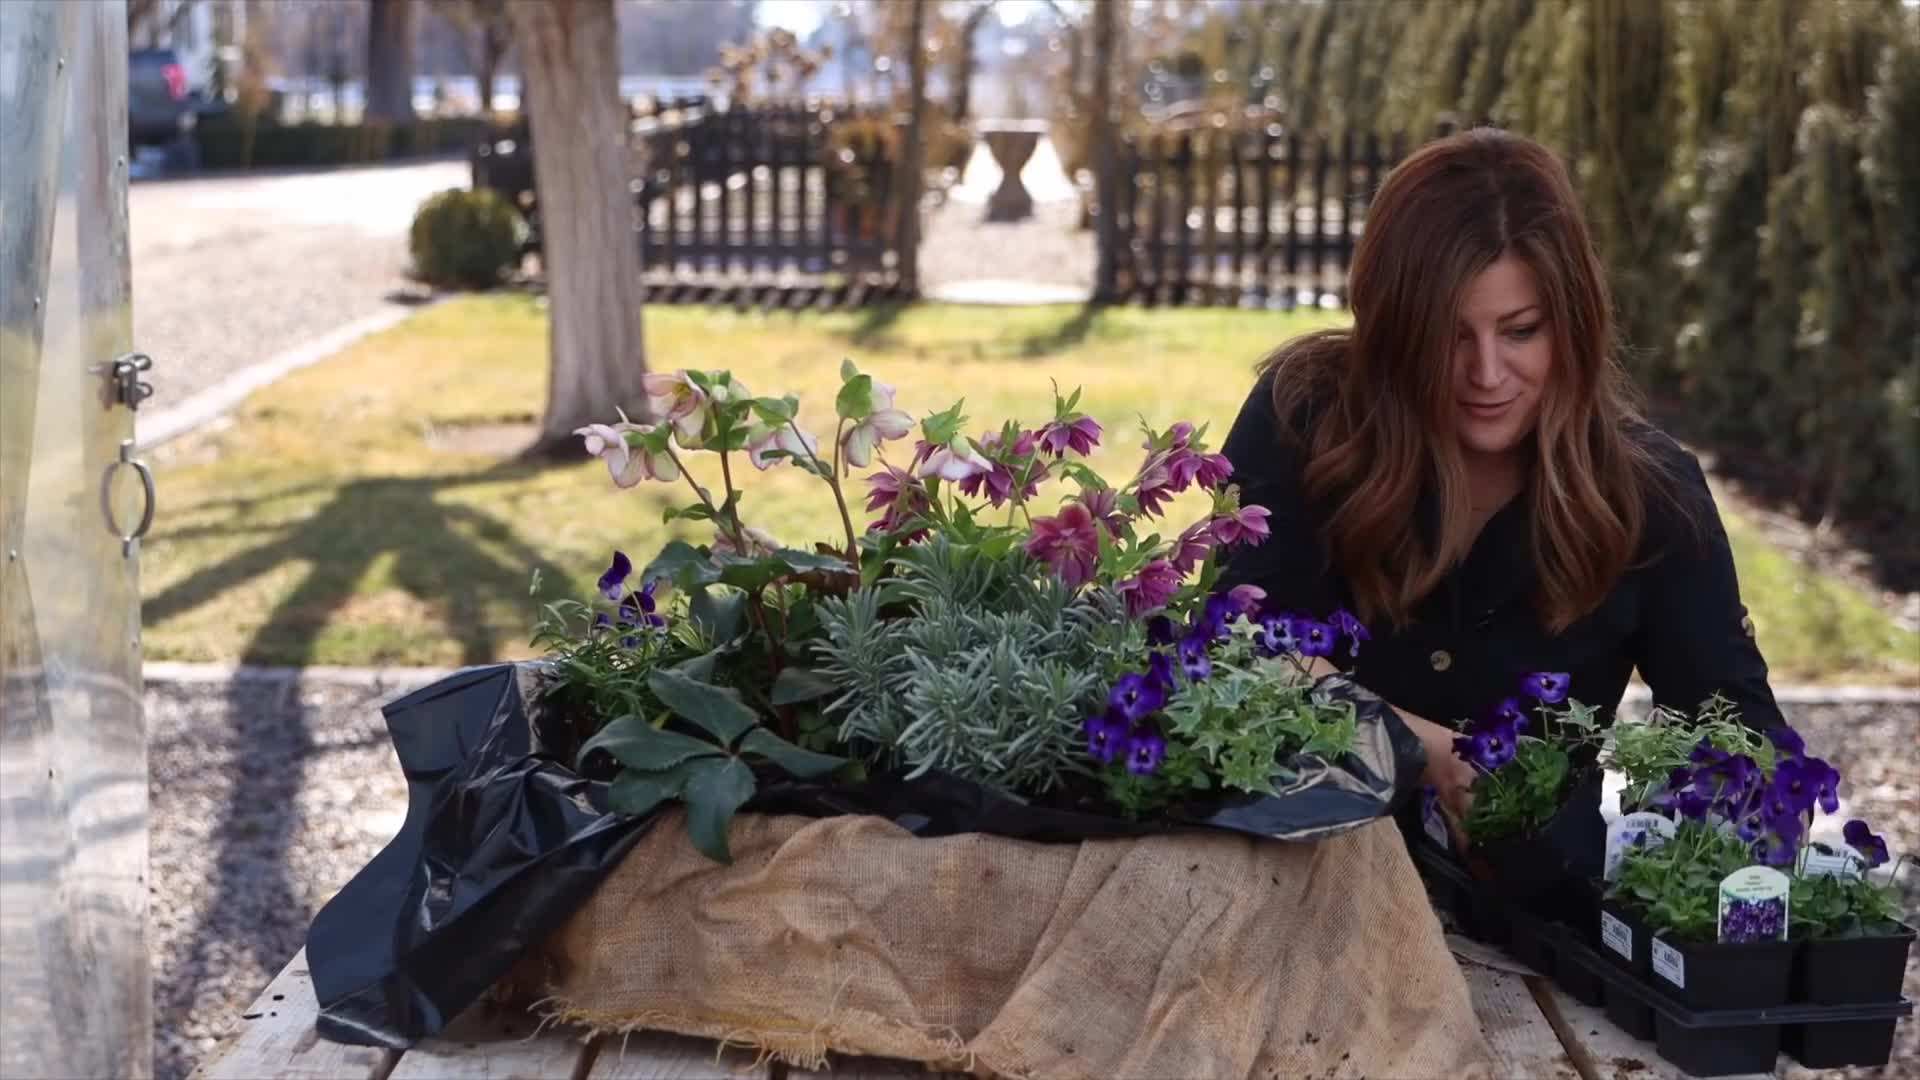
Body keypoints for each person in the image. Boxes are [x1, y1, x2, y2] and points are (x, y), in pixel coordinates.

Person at [1214, 128, 1785, 837]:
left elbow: (1741, 743)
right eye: (1451, 336)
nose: (1486, 375)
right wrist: (1425, 753)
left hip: (1523, 910)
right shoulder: (1304, 415)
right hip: (1290, 865)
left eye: (1520, 331)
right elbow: (1229, 652)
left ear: (1571, 325)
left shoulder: (1651, 494)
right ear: (1395, 330)